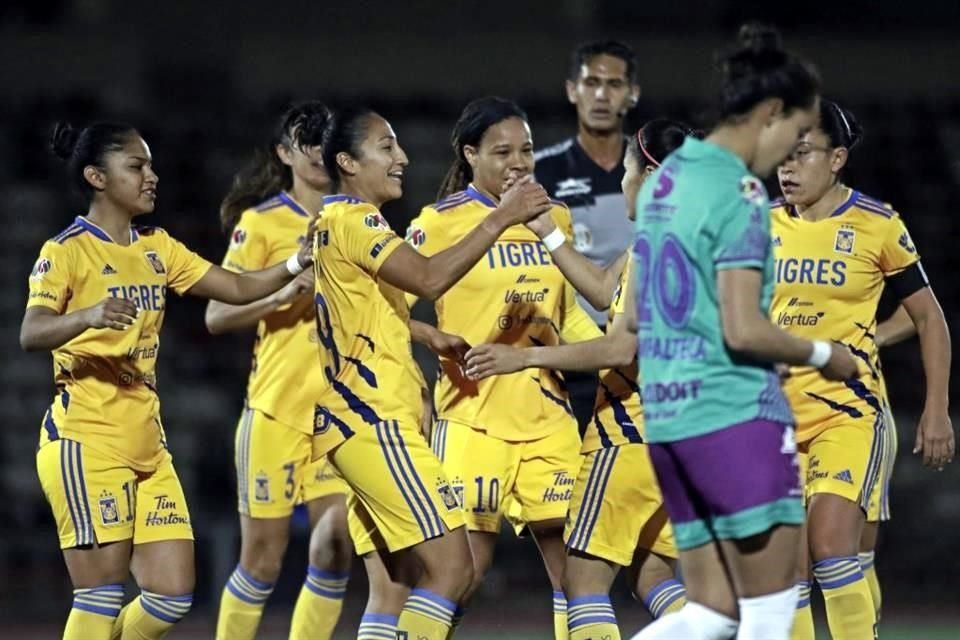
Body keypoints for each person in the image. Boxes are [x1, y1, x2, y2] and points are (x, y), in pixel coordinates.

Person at [21, 120, 315, 640]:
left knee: (171, 594)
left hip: (147, 446)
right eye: (136, 166)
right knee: (101, 594)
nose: (151, 176)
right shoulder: (64, 251)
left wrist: (296, 260)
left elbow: (238, 286)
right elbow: (32, 331)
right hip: (86, 441)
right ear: (96, 176)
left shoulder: (157, 247)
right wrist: (87, 315)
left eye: (151, 165)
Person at [630, 24, 860, 640]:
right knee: (768, 614)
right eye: (794, 133)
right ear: (770, 112)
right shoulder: (739, 193)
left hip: (669, 414)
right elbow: (744, 327)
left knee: (711, 613)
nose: (788, 152)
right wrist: (823, 353)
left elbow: (633, 315)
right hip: (733, 414)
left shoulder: (669, 178)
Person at [311, 105, 553, 640]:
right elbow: (428, 279)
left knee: (397, 583)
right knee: (454, 568)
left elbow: (356, 306)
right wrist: (501, 217)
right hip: (374, 422)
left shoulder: (332, 223)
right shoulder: (357, 219)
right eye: (386, 147)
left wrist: (423, 334)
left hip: (356, 425)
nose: (401, 157)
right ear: (348, 162)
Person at [463, 119, 696, 640]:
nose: (621, 184)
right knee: (652, 573)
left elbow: (620, 347)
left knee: (582, 580)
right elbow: (599, 290)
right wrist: (547, 229)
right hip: (683, 439)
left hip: (629, 435)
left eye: (630, 172)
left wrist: (523, 360)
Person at [401, 96, 603, 639]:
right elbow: (378, 308)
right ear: (470, 155)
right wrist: (430, 336)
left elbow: (567, 321)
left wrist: (614, 353)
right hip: (473, 422)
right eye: (502, 151)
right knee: (460, 571)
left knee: (577, 574)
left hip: (548, 421)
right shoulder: (439, 223)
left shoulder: (553, 219)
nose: (519, 162)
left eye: (528, 150)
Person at [772, 99, 953, 640]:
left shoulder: (876, 223)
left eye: (801, 155)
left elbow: (929, 317)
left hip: (848, 412)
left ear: (837, 158)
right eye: (782, 155)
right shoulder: (758, 226)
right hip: (775, 418)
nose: (786, 167)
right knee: (789, 570)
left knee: (830, 547)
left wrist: (936, 408)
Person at [205, 102, 353, 640]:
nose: (317, 152)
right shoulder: (261, 224)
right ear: (284, 153)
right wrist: (284, 295)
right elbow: (217, 315)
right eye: (303, 142)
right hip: (276, 412)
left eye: (325, 140)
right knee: (263, 561)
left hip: (339, 415)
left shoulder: (357, 217)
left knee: (336, 546)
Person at [535, 39, 642, 429]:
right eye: (592, 82)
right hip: (570, 353)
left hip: (641, 352)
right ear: (571, 90)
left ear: (632, 94)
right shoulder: (542, 174)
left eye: (614, 84)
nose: (601, 94)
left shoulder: (652, 169)